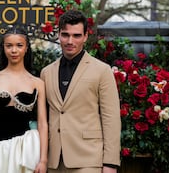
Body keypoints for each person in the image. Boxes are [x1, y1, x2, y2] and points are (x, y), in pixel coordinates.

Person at [40, 10, 121, 173]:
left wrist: (110, 163)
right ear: (58, 35)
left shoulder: (102, 70)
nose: (70, 41)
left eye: (76, 35)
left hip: (88, 159)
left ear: (85, 36)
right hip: (54, 161)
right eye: (65, 35)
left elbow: (111, 118)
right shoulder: (46, 72)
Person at [0, 27, 48, 173]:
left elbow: (43, 123)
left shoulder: (37, 83)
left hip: (25, 149)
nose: (14, 50)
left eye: (19, 45)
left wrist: (43, 160)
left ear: (26, 48)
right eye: (9, 46)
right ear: (3, 48)